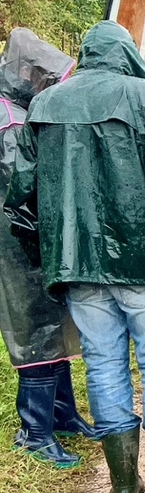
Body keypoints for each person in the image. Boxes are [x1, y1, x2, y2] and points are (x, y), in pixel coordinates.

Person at [4, 21, 145, 493]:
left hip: (78, 267)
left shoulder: (44, 105)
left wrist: (48, 258)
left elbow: (19, 198)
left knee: (105, 370)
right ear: (126, 54)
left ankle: (123, 488)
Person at [0, 29, 97, 470]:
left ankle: (62, 414)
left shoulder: (20, 111)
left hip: (34, 239)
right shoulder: (9, 121)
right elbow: (21, 193)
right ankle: (34, 432)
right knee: (36, 328)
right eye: (44, 79)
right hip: (19, 246)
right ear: (24, 73)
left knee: (54, 327)